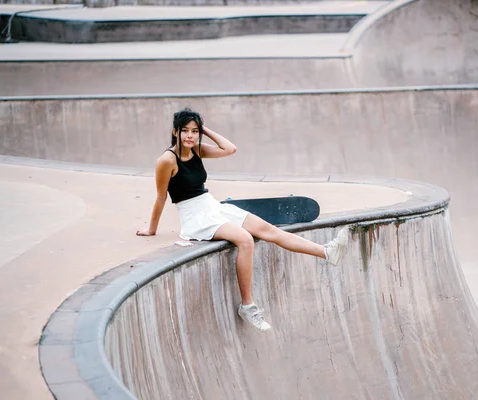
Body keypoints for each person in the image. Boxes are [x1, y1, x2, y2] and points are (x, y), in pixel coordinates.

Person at [137, 108, 348, 332]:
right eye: (185, 131)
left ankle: (327, 252)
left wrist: (204, 129)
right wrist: (152, 229)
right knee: (245, 240)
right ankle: (248, 306)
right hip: (194, 216)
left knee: (267, 229)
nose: (190, 136)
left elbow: (230, 149)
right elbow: (161, 197)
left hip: (212, 206)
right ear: (175, 132)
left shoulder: (197, 150)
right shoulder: (167, 160)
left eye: (194, 131)